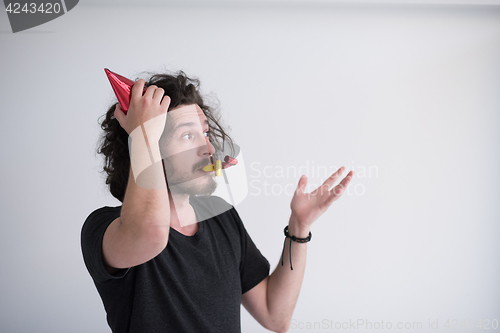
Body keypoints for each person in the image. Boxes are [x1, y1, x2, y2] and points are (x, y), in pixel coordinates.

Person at [81, 71, 354, 333]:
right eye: (188, 135)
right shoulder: (104, 227)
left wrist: (298, 226)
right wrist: (141, 133)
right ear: (148, 145)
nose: (209, 149)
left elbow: (275, 315)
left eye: (206, 133)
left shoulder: (220, 216)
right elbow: (150, 234)